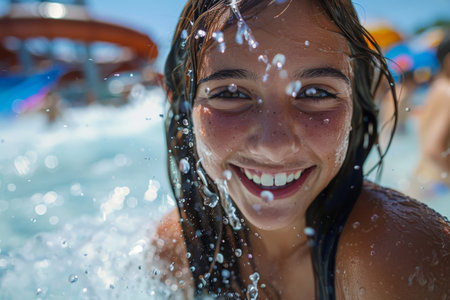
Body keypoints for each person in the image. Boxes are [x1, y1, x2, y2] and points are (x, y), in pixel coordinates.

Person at [153, 0, 450, 299]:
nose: (274, 146)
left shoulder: (397, 255)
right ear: (182, 107)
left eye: (315, 93)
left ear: (356, 109)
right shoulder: (176, 248)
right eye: (230, 93)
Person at [412, 31, 450, 196]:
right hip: (436, 186)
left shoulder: (436, 86)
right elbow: (434, 148)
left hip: (422, 180)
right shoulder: (449, 91)